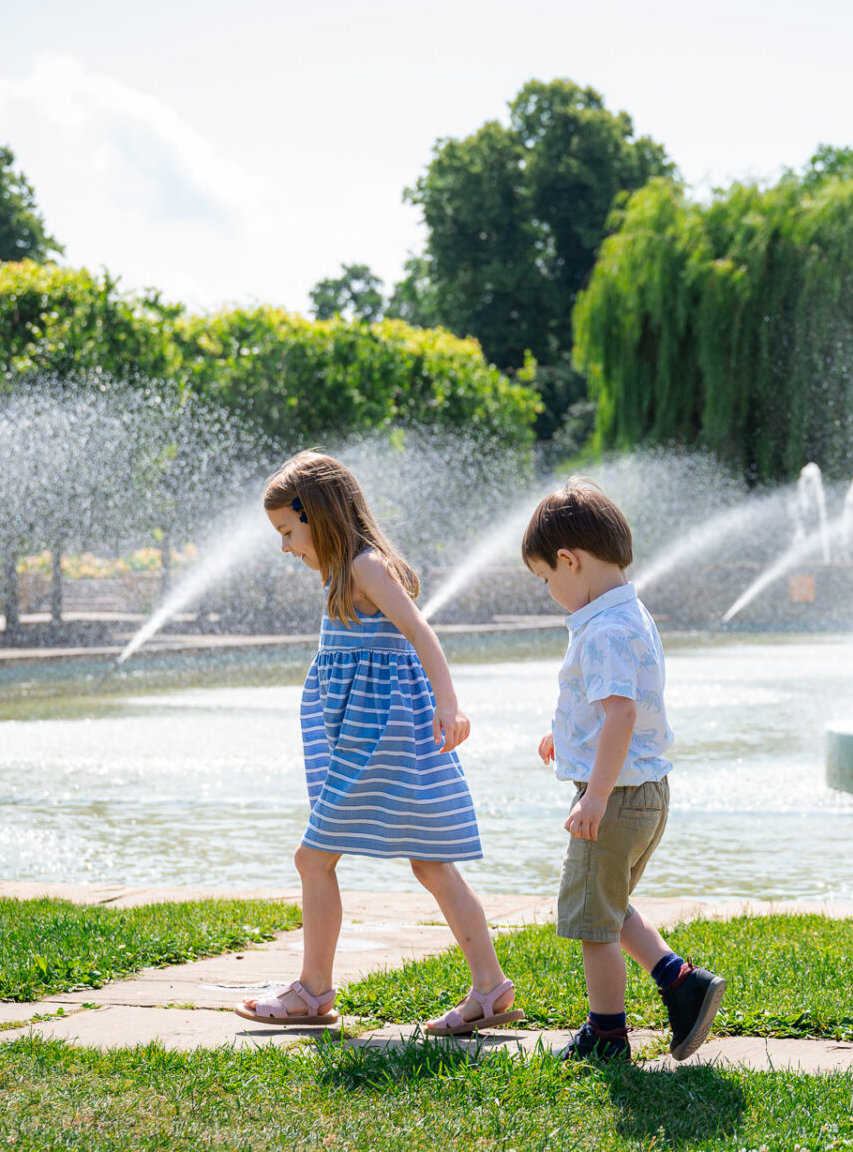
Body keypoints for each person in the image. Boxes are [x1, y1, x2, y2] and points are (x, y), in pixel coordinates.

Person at [237, 450, 520, 1035]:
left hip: (380, 741)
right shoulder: (345, 574)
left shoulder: (366, 569)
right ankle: (490, 990)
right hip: (364, 738)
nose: (285, 547)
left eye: (288, 531)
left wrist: (449, 703)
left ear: (317, 515)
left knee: (314, 857)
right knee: (430, 863)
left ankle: (313, 993)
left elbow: (420, 631)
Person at [523, 478, 725, 1063]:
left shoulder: (604, 629)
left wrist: (594, 798)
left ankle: (607, 1035)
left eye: (547, 579)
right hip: (648, 795)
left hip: (615, 797)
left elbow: (622, 714)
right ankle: (681, 981)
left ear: (570, 560)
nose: (550, 590)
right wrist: (563, 737)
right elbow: (609, 708)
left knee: (593, 925)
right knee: (607, 904)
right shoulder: (630, 612)